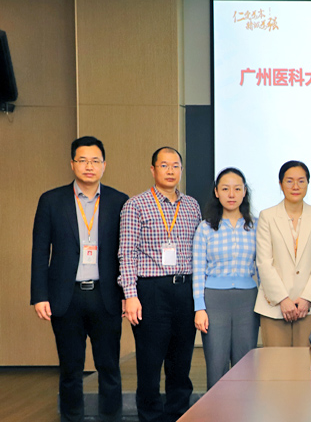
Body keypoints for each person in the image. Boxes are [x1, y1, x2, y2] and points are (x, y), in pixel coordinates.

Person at [30, 136, 128, 422]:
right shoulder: (51, 200)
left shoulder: (120, 201)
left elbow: (126, 252)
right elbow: (40, 250)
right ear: (72, 164)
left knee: (109, 367)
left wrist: (127, 294)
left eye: (95, 161)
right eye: (83, 160)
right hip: (66, 296)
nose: (89, 166)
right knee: (70, 369)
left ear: (104, 165)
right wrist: (39, 295)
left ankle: (111, 418)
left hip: (106, 295)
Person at [118, 147, 202, 422]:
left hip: (185, 289)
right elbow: (126, 253)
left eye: (175, 165)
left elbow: (199, 251)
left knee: (181, 361)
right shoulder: (136, 205)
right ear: (153, 169)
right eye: (164, 165)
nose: (170, 170)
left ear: (181, 170)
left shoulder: (192, 205)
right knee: (150, 362)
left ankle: (179, 414)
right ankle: (150, 417)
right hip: (151, 290)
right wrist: (130, 295)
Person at [192, 168, 259, 388]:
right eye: (225, 189)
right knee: (216, 363)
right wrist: (199, 308)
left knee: (245, 364)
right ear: (216, 192)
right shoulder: (205, 228)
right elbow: (198, 270)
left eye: (237, 189)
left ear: (244, 192)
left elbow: (262, 267)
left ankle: (244, 408)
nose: (231, 194)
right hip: (214, 301)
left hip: (247, 301)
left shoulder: (256, 226)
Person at [255, 161, 311, 347]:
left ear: (308, 183)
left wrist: (306, 298)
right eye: (289, 181)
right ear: (280, 184)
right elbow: (264, 262)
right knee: (276, 362)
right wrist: (283, 299)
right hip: (274, 306)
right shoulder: (267, 216)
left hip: (308, 306)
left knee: (307, 361)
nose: (296, 186)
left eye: (301, 181)